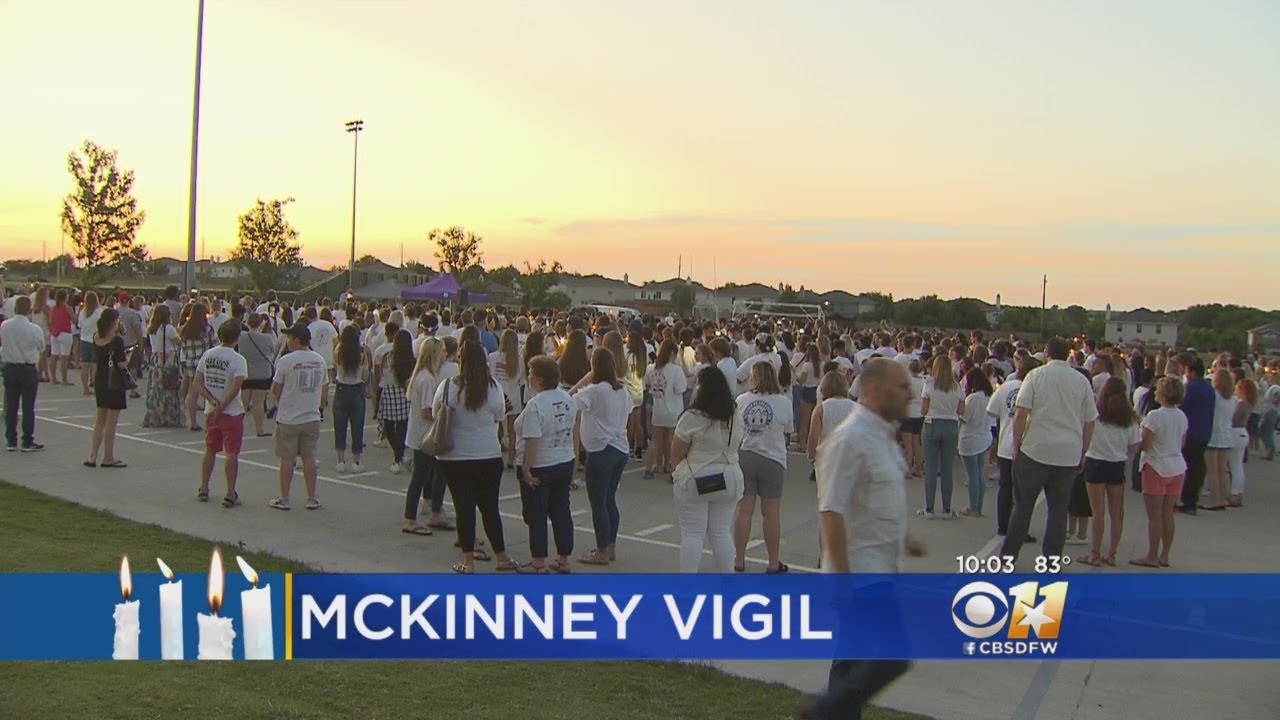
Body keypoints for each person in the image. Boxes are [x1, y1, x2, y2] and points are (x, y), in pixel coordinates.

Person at [802, 359, 926, 720]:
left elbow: (876, 501)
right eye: (902, 387)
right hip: (860, 572)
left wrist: (904, 537)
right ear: (875, 390)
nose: (910, 394)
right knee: (893, 655)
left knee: (849, 665)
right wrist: (843, 581)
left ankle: (830, 711)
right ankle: (820, 712)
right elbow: (831, 512)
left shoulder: (881, 436)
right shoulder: (849, 439)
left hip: (881, 567)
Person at [1000, 337, 1098, 563]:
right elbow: (1089, 421)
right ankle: (1051, 560)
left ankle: (1008, 558)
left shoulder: (1036, 376)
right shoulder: (1081, 381)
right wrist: (1083, 451)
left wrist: (1016, 445)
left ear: (1047, 353)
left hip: (1036, 448)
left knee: (1023, 506)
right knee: (1058, 510)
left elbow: (1021, 413)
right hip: (1068, 452)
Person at [433, 340, 518, 574]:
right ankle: (502, 556)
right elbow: (500, 414)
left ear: (461, 360)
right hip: (487, 453)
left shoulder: (449, 386)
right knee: (490, 507)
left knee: (464, 508)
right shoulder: (493, 388)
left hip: (454, 455)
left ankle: (468, 560)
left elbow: (435, 412)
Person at [670, 365, 745, 573]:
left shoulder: (693, 416)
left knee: (693, 534)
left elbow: (676, 452)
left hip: (697, 475)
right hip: (730, 473)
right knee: (721, 532)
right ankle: (728, 583)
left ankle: (687, 589)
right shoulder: (734, 413)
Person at [513, 356, 577, 574]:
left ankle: (538, 561)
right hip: (564, 459)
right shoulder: (567, 399)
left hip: (540, 463)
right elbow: (573, 429)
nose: (528, 377)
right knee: (561, 510)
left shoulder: (535, 405)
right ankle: (563, 558)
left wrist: (526, 469)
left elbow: (533, 440)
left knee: (536, 514)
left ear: (539, 379)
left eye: (531, 373)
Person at [572, 347, 633, 567]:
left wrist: (584, 381)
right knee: (609, 499)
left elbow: (571, 400)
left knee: (598, 502)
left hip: (600, 449)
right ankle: (610, 545)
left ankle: (601, 550)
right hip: (619, 447)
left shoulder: (595, 391)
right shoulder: (621, 390)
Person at [733, 361, 794, 574]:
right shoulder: (784, 402)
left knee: (744, 509)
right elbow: (788, 432)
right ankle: (772, 562)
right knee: (771, 512)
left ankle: (739, 559)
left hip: (746, 454)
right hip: (772, 458)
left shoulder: (742, 400)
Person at [1079, 377, 1141, 567]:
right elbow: (1135, 446)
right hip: (1117, 464)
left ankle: (1094, 553)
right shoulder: (1129, 417)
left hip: (1095, 461)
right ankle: (1112, 553)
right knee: (1117, 512)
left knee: (1098, 511)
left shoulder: (1096, 413)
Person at [269, 324, 328, 511]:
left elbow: (276, 389)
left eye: (289, 338)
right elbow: (324, 393)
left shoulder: (286, 361)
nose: (287, 341)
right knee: (309, 456)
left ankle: (284, 497)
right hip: (311, 415)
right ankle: (312, 497)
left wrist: (276, 404)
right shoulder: (320, 360)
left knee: (287, 458)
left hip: (289, 417)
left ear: (296, 339)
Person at [1131, 376, 1188, 568]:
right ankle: (1165, 554)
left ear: (1163, 394)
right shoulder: (1182, 416)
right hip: (1177, 466)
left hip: (1156, 465)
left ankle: (1152, 555)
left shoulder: (1154, 416)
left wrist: (1134, 443)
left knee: (1154, 516)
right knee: (1167, 513)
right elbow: (1182, 442)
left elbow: (1145, 444)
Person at [194, 320, 248, 507]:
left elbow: (198, 383)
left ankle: (204, 486)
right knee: (231, 452)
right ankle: (230, 492)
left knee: (210, 449)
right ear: (237, 338)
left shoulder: (208, 355)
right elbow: (236, 387)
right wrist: (222, 406)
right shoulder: (238, 359)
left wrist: (211, 400)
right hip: (231, 412)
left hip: (211, 409)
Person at [404, 337, 451, 535]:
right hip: (424, 436)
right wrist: (443, 414)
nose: (445, 356)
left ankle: (434, 512)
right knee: (420, 477)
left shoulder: (424, 376)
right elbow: (426, 411)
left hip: (422, 434)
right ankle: (410, 519)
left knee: (435, 473)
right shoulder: (427, 380)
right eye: (442, 353)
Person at [919, 356, 964, 518]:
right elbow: (961, 411)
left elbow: (923, 410)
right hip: (951, 425)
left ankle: (929, 508)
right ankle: (946, 508)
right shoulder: (957, 386)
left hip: (932, 423)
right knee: (947, 469)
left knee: (931, 468)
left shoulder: (929, 384)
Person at [2, 296, 46, 452]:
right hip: (27, 368)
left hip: (10, 367)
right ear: (29, 309)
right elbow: (41, 346)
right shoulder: (34, 329)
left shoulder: (5, 326)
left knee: (11, 405)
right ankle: (27, 440)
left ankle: (10, 440)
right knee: (28, 407)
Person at [86, 309, 128, 468]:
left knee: (100, 420)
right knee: (112, 422)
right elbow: (121, 364)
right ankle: (108, 457)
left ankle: (93, 455)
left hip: (101, 379)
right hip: (114, 381)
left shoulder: (96, 337)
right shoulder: (117, 341)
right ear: (114, 322)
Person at [1176, 354, 1215, 516]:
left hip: (1192, 432)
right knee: (1197, 465)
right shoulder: (1208, 388)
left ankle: (1189, 500)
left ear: (1191, 372)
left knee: (1190, 466)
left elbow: (1182, 408)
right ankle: (1193, 497)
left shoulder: (1191, 389)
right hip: (1205, 431)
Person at [643, 339, 688, 479]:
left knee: (655, 439)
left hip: (658, 408)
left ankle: (650, 468)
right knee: (671, 440)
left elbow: (647, 385)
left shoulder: (652, 368)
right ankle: (671, 468)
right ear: (672, 354)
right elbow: (681, 389)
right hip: (673, 409)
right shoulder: (676, 370)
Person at [377, 329, 415, 474]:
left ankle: (397, 458)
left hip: (389, 393)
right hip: (404, 395)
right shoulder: (411, 361)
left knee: (388, 427)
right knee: (401, 428)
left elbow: (382, 374)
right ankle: (400, 458)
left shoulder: (387, 357)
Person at [331, 324, 368, 473]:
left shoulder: (338, 352)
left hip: (341, 389)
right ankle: (356, 462)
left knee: (339, 426)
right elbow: (365, 376)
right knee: (357, 426)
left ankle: (340, 460)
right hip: (357, 390)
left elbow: (335, 369)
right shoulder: (361, 354)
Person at [957, 367, 994, 517]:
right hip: (984, 436)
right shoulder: (988, 397)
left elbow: (965, 418)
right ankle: (978, 505)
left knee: (972, 475)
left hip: (970, 437)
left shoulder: (972, 398)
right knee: (979, 474)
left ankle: (973, 507)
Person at [239, 313, 277, 438]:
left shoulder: (241, 337)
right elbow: (272, 350)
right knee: (258, 402)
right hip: (262, 373)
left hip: (245, 371)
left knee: (243, 403)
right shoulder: (266, 338)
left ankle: (238, 428)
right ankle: (259, 429)